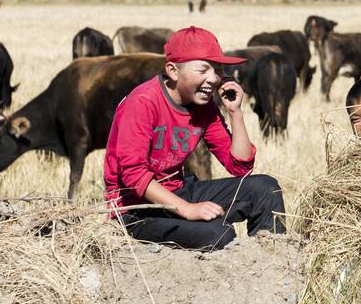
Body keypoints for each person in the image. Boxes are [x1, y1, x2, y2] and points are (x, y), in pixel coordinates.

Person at [104, 26, 285, 250]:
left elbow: (240, 166)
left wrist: (235, 112)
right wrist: (188, 210)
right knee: (219, 234)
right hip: (136, 210)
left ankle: (273, 265)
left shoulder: (204, 107)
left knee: (266, 189)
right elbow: (133, 175)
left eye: (217, 70)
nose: (213, 78)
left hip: (177, 191)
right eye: (204, 70)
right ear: (173, 71)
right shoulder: (142, 102)